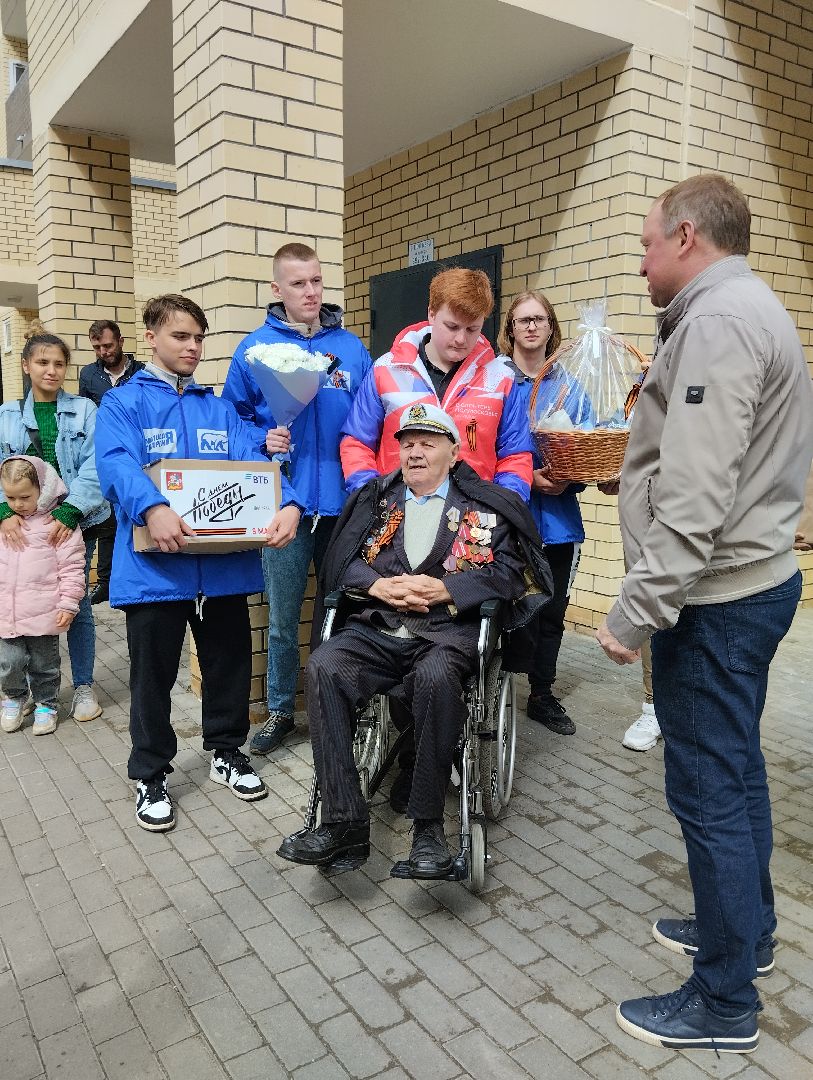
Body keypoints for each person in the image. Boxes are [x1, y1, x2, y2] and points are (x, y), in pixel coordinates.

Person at [596, 174, 813, 1053]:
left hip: (714, 600)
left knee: (709, 791)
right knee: (737, 773)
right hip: (747, 582)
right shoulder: (749, 309)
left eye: (647, 243)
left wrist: (631, 614)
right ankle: (746, 936)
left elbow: (694, 498)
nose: (642, 261)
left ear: (686, 236)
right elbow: (703, 461)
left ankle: (721, 1002)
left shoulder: (717, 324)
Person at [278, 404, 550, 877]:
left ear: (454, 451)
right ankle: (344, 822)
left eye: (427, 442)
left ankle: (428, 829)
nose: (415, 452)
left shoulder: (485, 507)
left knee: (436, 676)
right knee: (325, 665)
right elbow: (343, 561)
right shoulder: (377, 501)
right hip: (379, 629)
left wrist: (449, 589)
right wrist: (376, 585)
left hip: (445, 635)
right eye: (407, 443)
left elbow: (510, 574)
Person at [95, 294, 304, 832]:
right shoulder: (125, 403)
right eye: (180, 336)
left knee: (230, 665)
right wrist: (153, 506)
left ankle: (227, 753)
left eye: (198, 338)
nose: (192, 347)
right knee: (153, 677)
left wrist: (287, 501)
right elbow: (115, 462)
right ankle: (149, 772)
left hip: (224, 571)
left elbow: (255, 460)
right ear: (151, 338)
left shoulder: (219, 409)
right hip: (156, 571)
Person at [222, 243, 372, 756]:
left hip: (344, 506)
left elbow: (371, 420)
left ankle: (334, 707)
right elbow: (231, 422)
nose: (311, 292)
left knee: (340, 616)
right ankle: (282, 710)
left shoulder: (350, 349)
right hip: (282, 503)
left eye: (317, 281)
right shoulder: (253, 349)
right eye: (299, 284)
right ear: (277, 289)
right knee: (284, 618)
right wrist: (262, 440)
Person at [340, 267, 533, 500]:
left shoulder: (500, 378)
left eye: (473, 329)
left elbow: (516, 455)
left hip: (473, 523)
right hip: (395, 517)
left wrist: (502, 508)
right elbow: (357, 442)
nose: (461, 339)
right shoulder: (387, 369)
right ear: (431, 313)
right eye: (452, 326)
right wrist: (370, 499)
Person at [0, 333, 109, 724]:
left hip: (73, 524)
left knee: (75, 604)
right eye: (43, 362)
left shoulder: (85, 410)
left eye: (59, 364)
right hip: (21, 525)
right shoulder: (7, 414)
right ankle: (25, 690)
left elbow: (98, 464)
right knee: (21, 599)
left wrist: (71, 511)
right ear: (26, 366)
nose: (51, 370)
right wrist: (2, 510)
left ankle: (81, 686)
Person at [496, 291, 588, 735]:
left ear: (551, 327)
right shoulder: (493, 380)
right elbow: (478, 452)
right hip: (506, 520)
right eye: (522, 320)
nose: (531, 327)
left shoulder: (568, 387)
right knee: (502, 606)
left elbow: (590, 442)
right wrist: (529, 476)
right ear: (510, 328)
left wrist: (572, 476)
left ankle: (542, 693)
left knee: (551, 611)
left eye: (539, 320)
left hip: (558, 522)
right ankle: (492, 686)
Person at [0, 456, 86, 736]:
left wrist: (69, 603)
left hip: (44, 611)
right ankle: (14, 697)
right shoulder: (5, 523)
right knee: (9, 662)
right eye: (10, 497)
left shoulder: (57, 525)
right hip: (7, 612)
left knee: (44, 665)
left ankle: (46, 704)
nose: (17, 504)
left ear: (44, 490)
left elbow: (73, 567)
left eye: (25, 497)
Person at [79, 319, 145, 605]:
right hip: (108, 454)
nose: (103, 351)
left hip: (141, 454)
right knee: (108, 524)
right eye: (97, 347)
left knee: (136, 517)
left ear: (120, 341)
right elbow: (86, 414)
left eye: (107, 345)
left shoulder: (141, 371)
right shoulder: (88, 375)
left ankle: (135, 577)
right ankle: (105, 583)